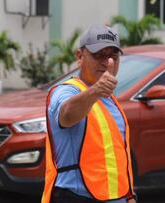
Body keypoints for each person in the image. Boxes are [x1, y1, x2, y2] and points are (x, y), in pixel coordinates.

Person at [42, 25, 136, 203]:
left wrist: (129, 195)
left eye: (112, 56)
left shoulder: (110, 100)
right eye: (98, 54)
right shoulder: (65, 91)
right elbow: (66, 115)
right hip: (75, 196)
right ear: (79, 57)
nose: (106, 61)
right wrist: (96, 91)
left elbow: (115, 157)